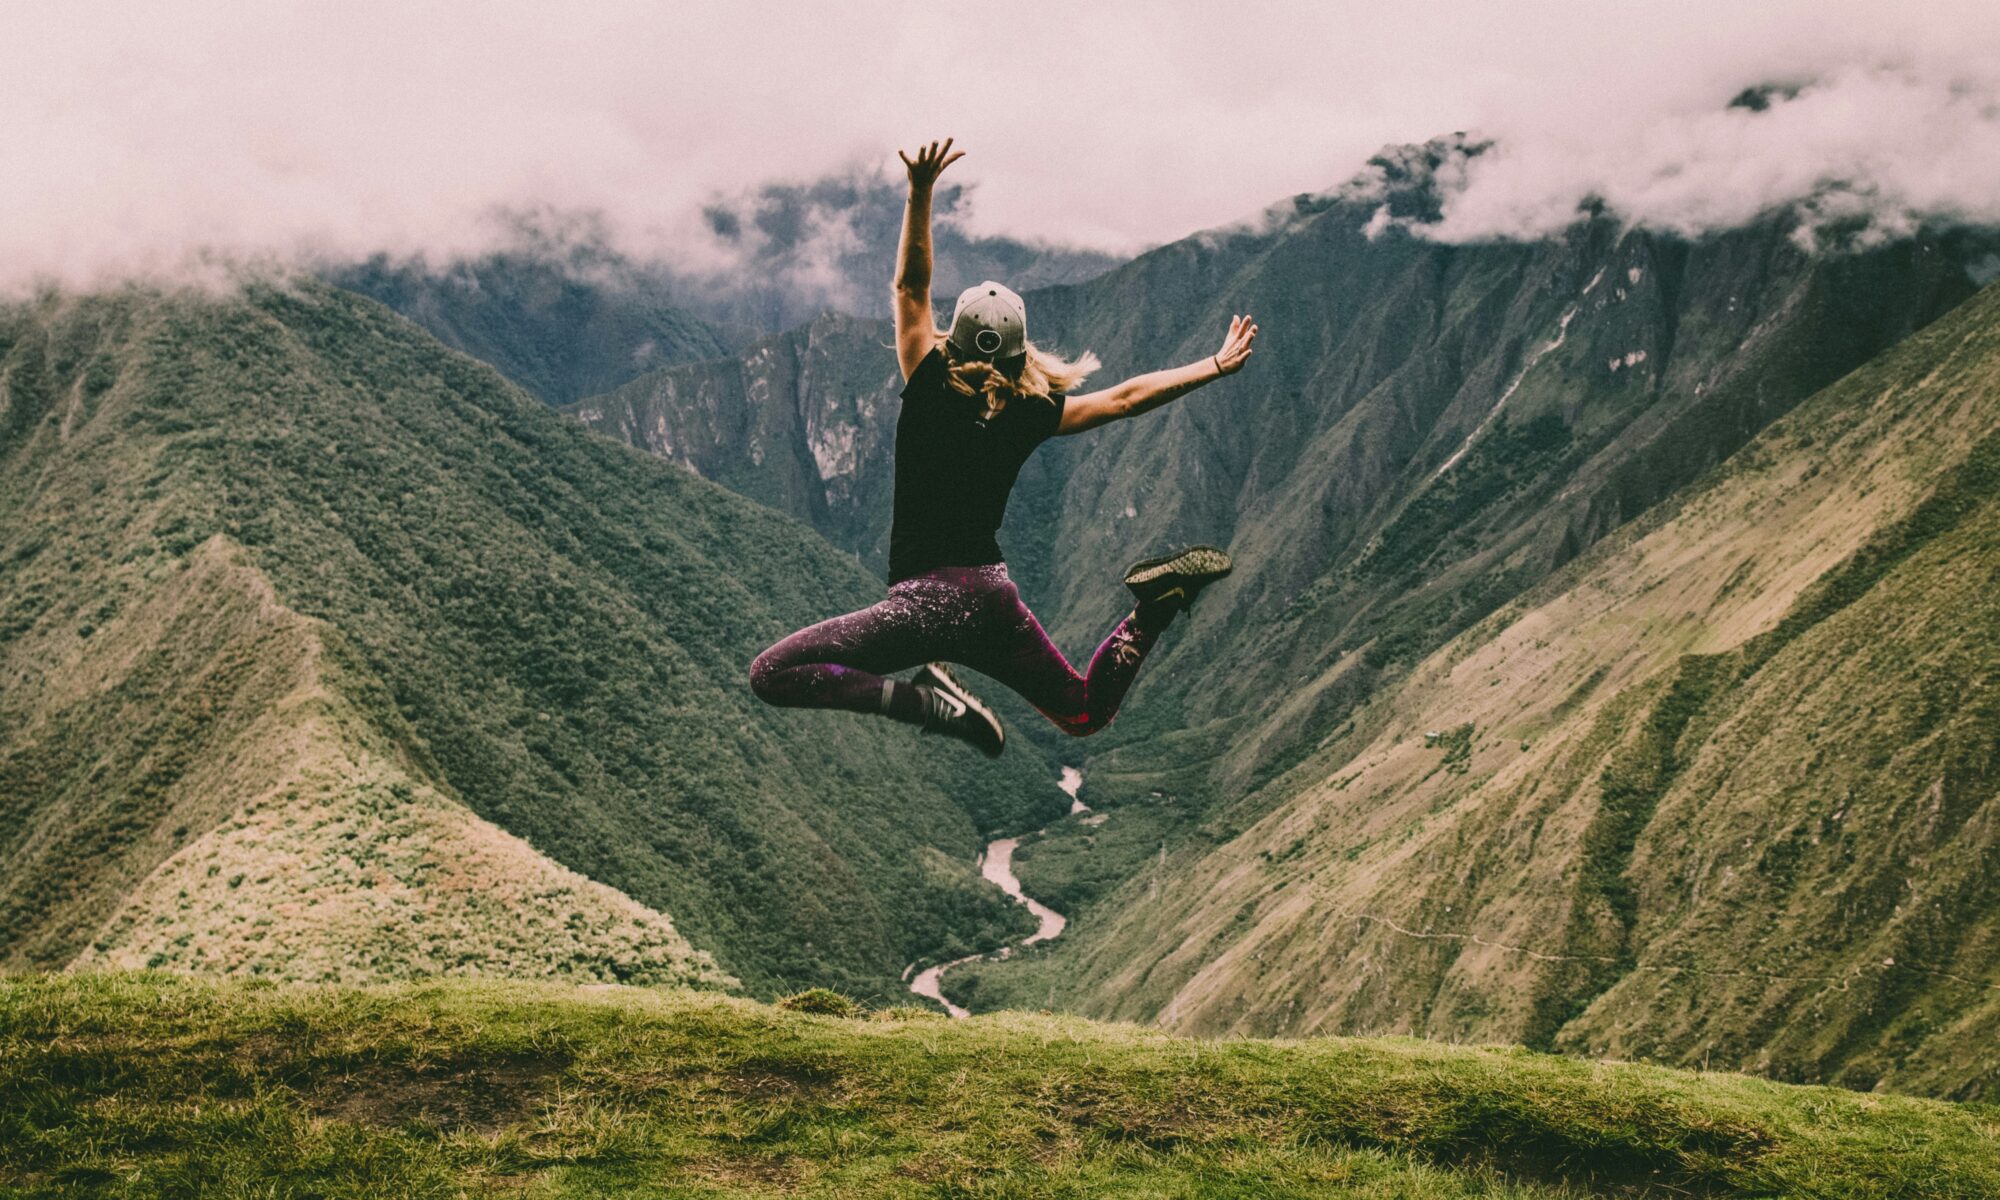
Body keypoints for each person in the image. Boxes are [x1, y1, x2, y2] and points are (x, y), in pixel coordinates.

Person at [748, 136, 1257, 756]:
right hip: (991, 598)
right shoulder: (1031, 410)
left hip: (923, 605)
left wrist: (920, 190)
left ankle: (923, 703)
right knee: (1083, 712)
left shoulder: (929, 380)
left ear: (952, 339)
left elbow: (911, 286)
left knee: (772, 674)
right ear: (1022, 351)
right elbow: (1125, 399)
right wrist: (1212, 365)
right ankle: (1152, 610)